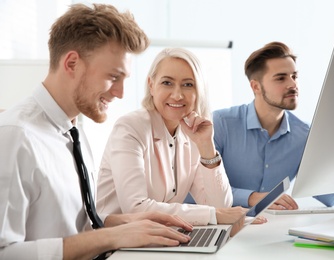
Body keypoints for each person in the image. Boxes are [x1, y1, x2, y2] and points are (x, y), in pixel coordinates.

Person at [0, 4, 194, 260]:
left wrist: (123, 223)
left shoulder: (72, 131)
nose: (121, 93)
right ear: (71, 63)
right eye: (114, 77)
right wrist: (110, 237)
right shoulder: (15, 137)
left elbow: (69, 224)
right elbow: (5, 252)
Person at [96, 47, 264, 227]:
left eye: (188, 84)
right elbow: (136, 208)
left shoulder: (192, 133)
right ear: (151, 85)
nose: (177, 95)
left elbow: (220, 205)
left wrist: (206, 147)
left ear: (199, 91)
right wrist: (212, 215)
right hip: (118, 245)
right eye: (167, 83)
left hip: (162, 237)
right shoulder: (130, 128)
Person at [209, 41, 334, 214]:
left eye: (294, 76)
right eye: (281, 78)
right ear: (256, 86)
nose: (293, 84)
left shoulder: (305, 134)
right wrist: (252, 198)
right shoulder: (221, 123)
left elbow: (329, 196)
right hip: (224, 226)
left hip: (274, 228)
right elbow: (201, 189)